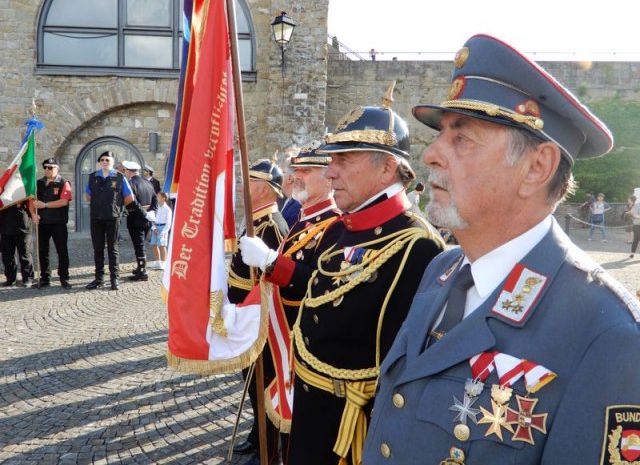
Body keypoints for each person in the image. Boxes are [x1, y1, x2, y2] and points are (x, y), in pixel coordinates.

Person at [362, 34, 640, 465]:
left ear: (536, 167)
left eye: (462, 139)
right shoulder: (443, 269)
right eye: (440, 135)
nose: (432, 153)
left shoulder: (607, 335)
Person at [286, 83, 445, 465]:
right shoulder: (341, 228)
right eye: (331, 160)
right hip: (311, 407)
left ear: (387, 166)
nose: (331, 172)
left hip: (352, 428)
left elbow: (408, 368)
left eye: (345, 159)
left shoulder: (418, 246)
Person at [239, 142, 343, 464]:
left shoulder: (335, 225)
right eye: (296, 170)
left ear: (329, 179)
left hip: (300, 343)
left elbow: (322, 284)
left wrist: (272, 262)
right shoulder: (302, 219)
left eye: (307, 171)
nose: (296, 177)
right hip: (277, 337)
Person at [227, 158, 289, 465]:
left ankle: (268, 445)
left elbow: (272, 281)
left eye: (247, 182)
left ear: (264, 189)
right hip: (245, 316)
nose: (241, 187)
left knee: (263, 384)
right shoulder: (256, 222)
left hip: (259, 319)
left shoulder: (272, 227)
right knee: (253, 385)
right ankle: (257, 434)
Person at [84, 151, 144, 291]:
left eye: (107, 160)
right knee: (98, 248)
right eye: (102, 160)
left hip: (113, 218)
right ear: (100, 162)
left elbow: (129, 198)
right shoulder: (93, 177)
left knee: (113, 249)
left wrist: (117, 207)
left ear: (112, 162)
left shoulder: (119, 177)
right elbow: (88, 195)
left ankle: (114, 279)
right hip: (96, 218)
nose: (105, 162)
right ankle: (99, 279)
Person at [31, 157, 73, 289]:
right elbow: (31, 201)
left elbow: (63, 201)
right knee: (43, 251)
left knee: (62, 251)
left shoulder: (64, 183)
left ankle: (64, 278)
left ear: (57, 168)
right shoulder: (38, 183)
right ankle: (45, 277)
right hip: (42, 223)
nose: (47, 170)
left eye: (51, 167)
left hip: (58, 223)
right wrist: (33, 214)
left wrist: (44, 205)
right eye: (45, 167)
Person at [122, 160, 157, 281]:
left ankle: (142, 272)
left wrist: (144, 212)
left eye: (124, 170)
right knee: (141, 244)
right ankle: (140, 267)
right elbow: (154, 199)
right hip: (147, 218)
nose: (124, 173)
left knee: (139, 245)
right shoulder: (148, 183)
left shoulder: (130, 183)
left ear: (128, 171)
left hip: (136, 217)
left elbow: (132, 202)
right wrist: (152, 212)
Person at [0, 201, 34, 287]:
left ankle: (28, 278)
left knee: (25, 254)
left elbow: (30, 201)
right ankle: (10, 278)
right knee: (7, 255)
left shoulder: (22, 187)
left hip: (22, 224)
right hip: (5, 225)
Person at [278, 148, 302, 228]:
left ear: (289, 178)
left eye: (280, 173)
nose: (277, 177)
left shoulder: (298, 206)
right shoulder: (289, 201)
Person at [149, 192, 172, 270]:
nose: (157, 198)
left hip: (163, 228)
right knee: (154, 244)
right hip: (155, 227)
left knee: (162, 246)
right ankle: (158, 261)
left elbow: (168, 223)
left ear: (163, 198)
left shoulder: (168, 210)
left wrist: (163, 232)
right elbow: (152, 218)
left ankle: (164, 262)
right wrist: (154, 228)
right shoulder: (157, 207)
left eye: (158, 197)